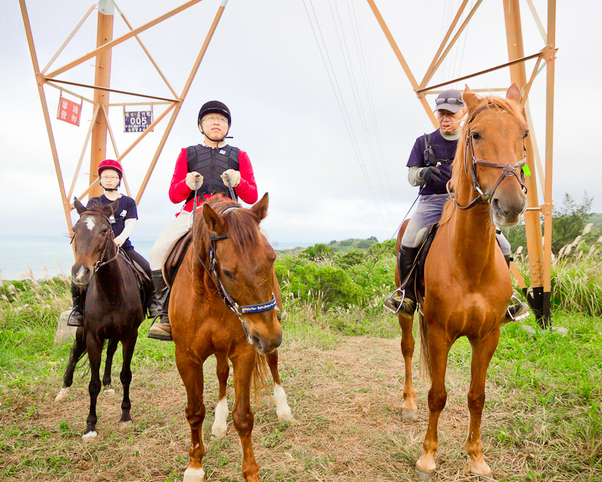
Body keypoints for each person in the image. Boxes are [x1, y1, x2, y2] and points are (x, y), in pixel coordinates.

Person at [384, 89, 529, 321]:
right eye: (441, 113)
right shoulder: (424, 142)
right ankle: (406, 295)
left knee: (504, 244)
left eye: (451, 114)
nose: (446, 118)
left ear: (463, 113)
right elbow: (411, 178)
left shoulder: (476, 137)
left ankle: (505, 298)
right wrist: (423, 173)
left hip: (466, 201)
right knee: (410, 236)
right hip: (432, 201)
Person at [147, 100, 258, 341]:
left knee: (261, 247)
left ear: (228, 127)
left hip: (230, 215)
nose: (216, 122)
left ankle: (268, 306)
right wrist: (186, 184)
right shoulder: (187, 153)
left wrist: (239, 181)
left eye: (222, 119)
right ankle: (163, 312)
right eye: (210, 119)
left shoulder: (240, 155)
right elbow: (173, 195)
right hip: (194, 212)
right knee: (158, 251)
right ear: (201, 126)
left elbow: (252, 195)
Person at [67, 159, 159, 326]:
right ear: (100, 180)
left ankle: (153, 303)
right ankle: (78, 310)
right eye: (105, 176)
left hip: (123, 247)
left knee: (147, 269)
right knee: (78, 274)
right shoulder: (94, 202)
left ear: (119, 180)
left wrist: (121, 238)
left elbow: (131, 222)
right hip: (99, 249)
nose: (109, 179)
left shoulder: (128, 202)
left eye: (113, 176)